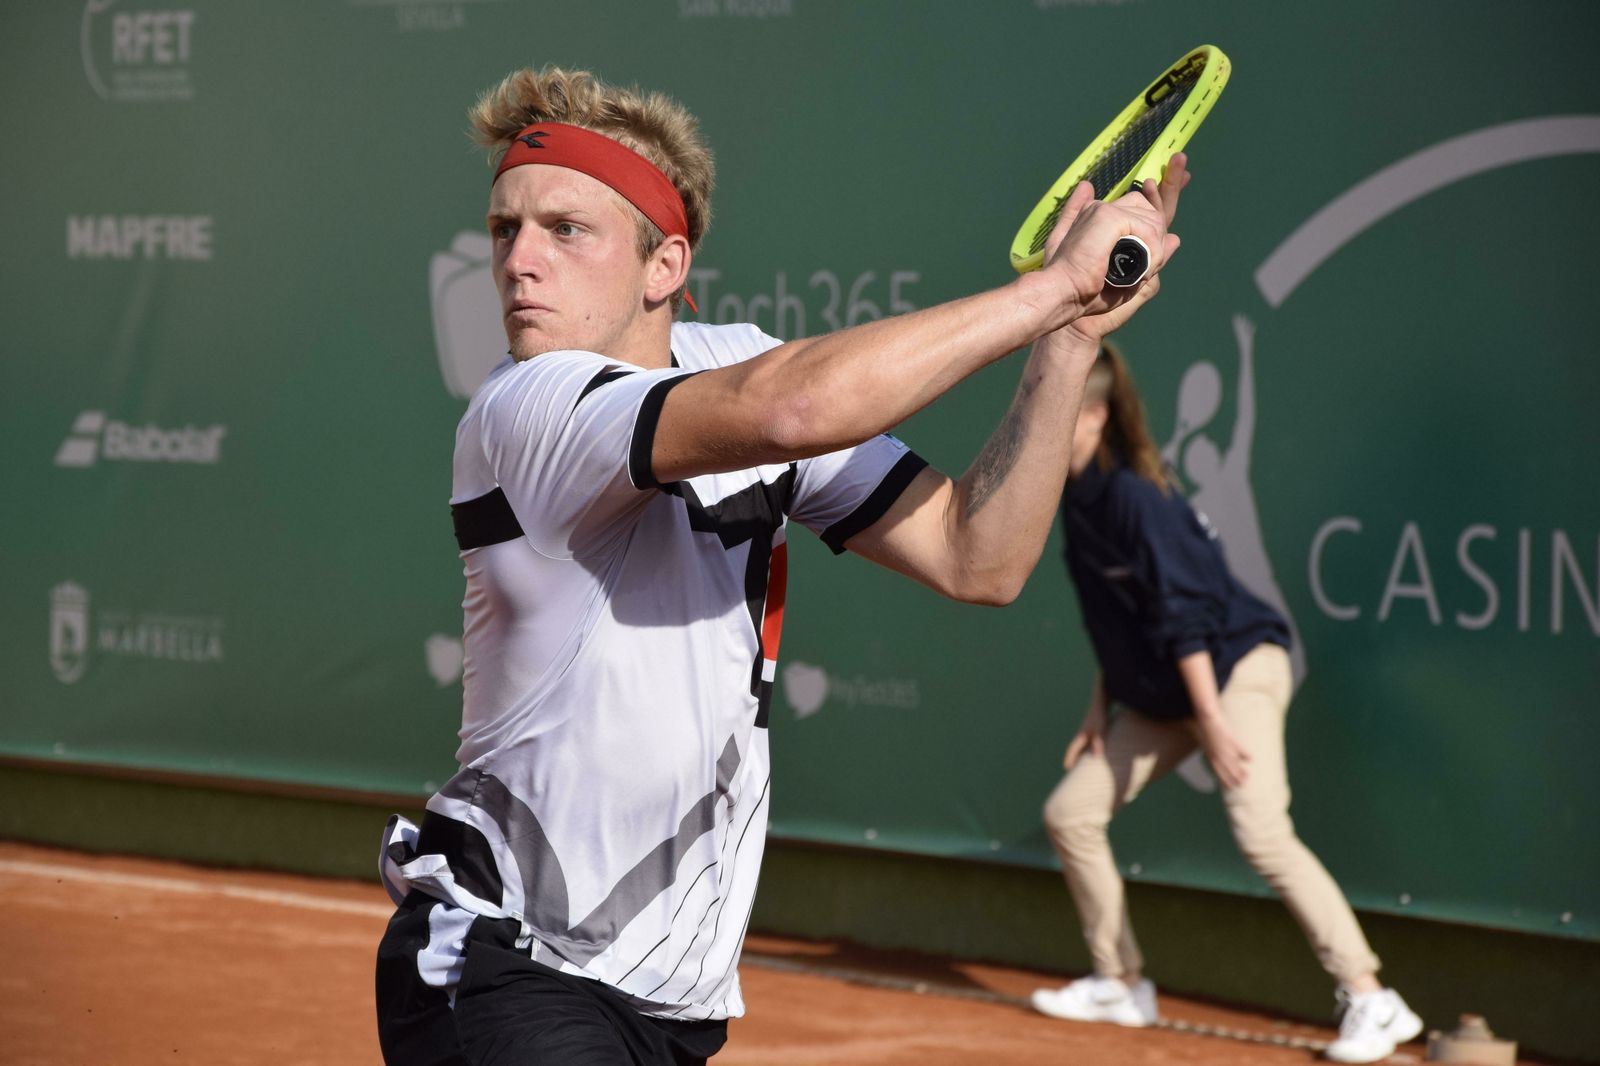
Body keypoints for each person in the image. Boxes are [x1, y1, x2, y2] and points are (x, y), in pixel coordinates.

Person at [373, 64, 1184, 1066]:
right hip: (505, 961)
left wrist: (1068, 339)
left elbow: (980, 556)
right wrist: (1054, 283)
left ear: (663, 265)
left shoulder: (729, 356)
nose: (517, 262)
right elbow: (792, 408)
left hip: (664, 999)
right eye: (506, 229)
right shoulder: (523, 408)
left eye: (563, 230)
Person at [1030, 344, 1423, 1064]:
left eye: (1055, 403)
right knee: (1070, 814)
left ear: (1094, 414)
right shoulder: (1075, 494)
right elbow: (1109, 619)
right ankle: (1122, 982)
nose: (1038, 416)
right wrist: (1098, 711)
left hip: (1236, 671)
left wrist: (1211, 721)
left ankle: (1373, 998)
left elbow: (1187, 616)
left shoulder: (1133, 497)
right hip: (1169, 689)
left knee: (1261, 832)